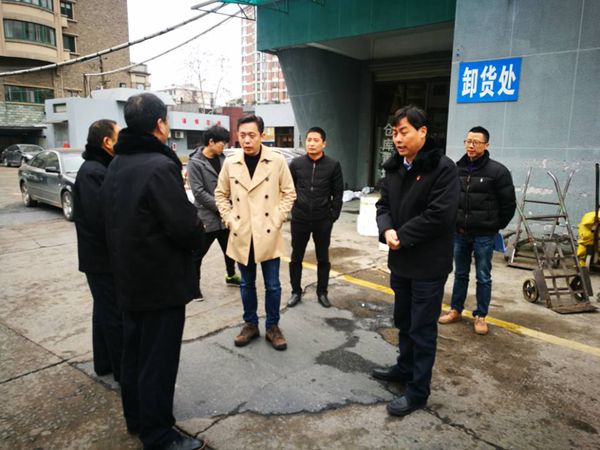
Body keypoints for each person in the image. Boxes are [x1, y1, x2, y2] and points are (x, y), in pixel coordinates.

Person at [101, 93, 205, 450]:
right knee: (158, 362)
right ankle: (159, 434)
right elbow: (185, 227)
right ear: (160, 124)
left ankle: (137, 417)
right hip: (160, 283)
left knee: (134, 355)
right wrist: (197, 228)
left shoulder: (117, 163)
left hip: (128, 279)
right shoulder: (159, 167)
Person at [373, 105, 459, 416]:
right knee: (404, 321)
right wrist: (387, 229)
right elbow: (383, 206)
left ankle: (418, 392)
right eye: (395, 132)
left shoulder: (443, 169)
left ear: (422, 132)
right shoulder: (394, 167)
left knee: (422, 329)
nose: (397, 138)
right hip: (401, 262)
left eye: (404, 132)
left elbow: (439, 215)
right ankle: (404, 368)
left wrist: (402, 235)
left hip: (428, 265)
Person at [215, 114, 296, 351]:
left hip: (268, 232)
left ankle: (272, 327)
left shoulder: (276, 160)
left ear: (262, 135)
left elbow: (289, 192)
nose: (247, 140)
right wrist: (230, 219)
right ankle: (250, 324)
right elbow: (220, 194)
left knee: (273, 285)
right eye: (242, 135)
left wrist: (278, 218)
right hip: (242, 232)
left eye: (251, 135)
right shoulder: (231, 163)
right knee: (246, 284)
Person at [439, 126, 516, 335]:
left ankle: (481, 316)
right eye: (468, 141)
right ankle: (456, 309)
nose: (471, 145)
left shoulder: (497, 171)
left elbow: (509, 204)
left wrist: (494, 225)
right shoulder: (457, 169)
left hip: (484, 235)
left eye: (476, 142)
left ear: (486, 145)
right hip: (459, 233)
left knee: (483, 276)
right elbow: (448, 198)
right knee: (460, 273)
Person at [73, 119, 122, 382]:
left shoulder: (99, 167)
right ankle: (123, 371)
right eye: (118, 136)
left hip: (99, 258)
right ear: (107, 142)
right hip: (101, 259)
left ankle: (104, 363)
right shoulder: (94, 171)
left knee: (103, 310)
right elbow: (101, 218)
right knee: (113, 315)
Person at [287, 127, 343, 308]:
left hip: (322, 220)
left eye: (315, 140)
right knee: (296, 257)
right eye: (309, 140)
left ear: (323, 143)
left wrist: (332, 216)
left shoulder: (333, 165)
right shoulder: (296, 164)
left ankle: (322, 292)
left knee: (323, 258)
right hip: (300, 219)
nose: (311, 143)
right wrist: (292, 210)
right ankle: (295, 291)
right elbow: (288, 189)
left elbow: (338, 193)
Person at [187, 125, 240, 300]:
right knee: (198, 254)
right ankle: (193, 288)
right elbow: (198, 192)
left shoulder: (224, 159)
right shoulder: (195, 163)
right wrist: (222, 206)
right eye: (222, 143)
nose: (224, 146)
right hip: (206, 218)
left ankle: (231, 276)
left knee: (230, 250)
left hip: (225, 217)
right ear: (211, 142)